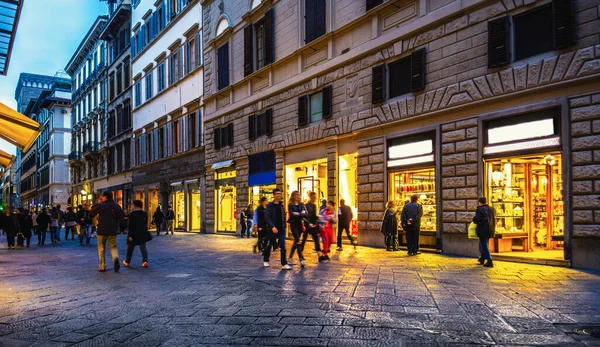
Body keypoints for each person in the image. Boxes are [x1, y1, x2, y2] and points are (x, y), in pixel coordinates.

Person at [90, 191, 125, 272]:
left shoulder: (101, 205)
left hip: (102, 229)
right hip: (113, 229)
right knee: (113, 247)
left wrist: (98, 204)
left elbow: (91, 213)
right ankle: (115, 258)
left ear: (105, 197)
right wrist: (123, 228)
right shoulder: (117, 206)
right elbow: (121, 217)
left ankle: (102, 266)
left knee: (101, 248)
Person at [265, 188, 291, 270]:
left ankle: (284, 263)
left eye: (280, 194)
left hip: (281, 229)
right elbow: (267, 217)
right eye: (277, 194)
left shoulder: (282, 205)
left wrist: (284, 227)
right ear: (273, 195)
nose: (278, 195)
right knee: (269, 245)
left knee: (283, 245)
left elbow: (283, 216)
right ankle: (266, 259)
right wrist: (272, 226)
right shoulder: (269, 206)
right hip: (272, 229)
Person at [123, 200, 151, 268]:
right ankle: (145, 261)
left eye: (132, 204)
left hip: (134, 233)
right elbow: (146, 224)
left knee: (130, 248)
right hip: (142, 233)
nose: (131, 205)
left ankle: (127, 262)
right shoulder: (144, 213)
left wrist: (130, 235)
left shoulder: (132, 214)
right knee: (143, 248)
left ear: (135, 205)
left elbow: (131, 225)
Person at [473, 197, 495, 268]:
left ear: (480, 202)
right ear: (486, 202)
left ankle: (489, 260)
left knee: (483, 244)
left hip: (483, 229)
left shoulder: (480, 209)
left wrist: (475, 221)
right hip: (490, 229)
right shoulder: (491, 209)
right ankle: (482, 258)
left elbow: (476, 219)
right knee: (485, 243)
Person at [302, 192, 324, 262]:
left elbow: (314, 215)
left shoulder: (314, 206)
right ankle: (300, 253)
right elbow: (305, 216)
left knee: (316, 239)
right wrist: (308, 223)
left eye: (315, 197)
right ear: (310, 197)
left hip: (313, 225)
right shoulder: (306, 205)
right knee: (304, 239)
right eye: (314, 197)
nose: (315, 198)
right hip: (307, 225)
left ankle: (319, 255)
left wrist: (319, 218)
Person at [287, 191, 307, 267]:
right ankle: (301, 259)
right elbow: (292, 214)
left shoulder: (301, 204)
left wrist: (298, 213)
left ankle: (290, 257)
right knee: (298, 240)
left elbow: (305, 213)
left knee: (296, 240)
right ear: (293, 196)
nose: (298, 196)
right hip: (293, 224)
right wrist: (300, 213)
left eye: (299, 195)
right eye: (296, 195)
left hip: (300, 224)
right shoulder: (290, 205)